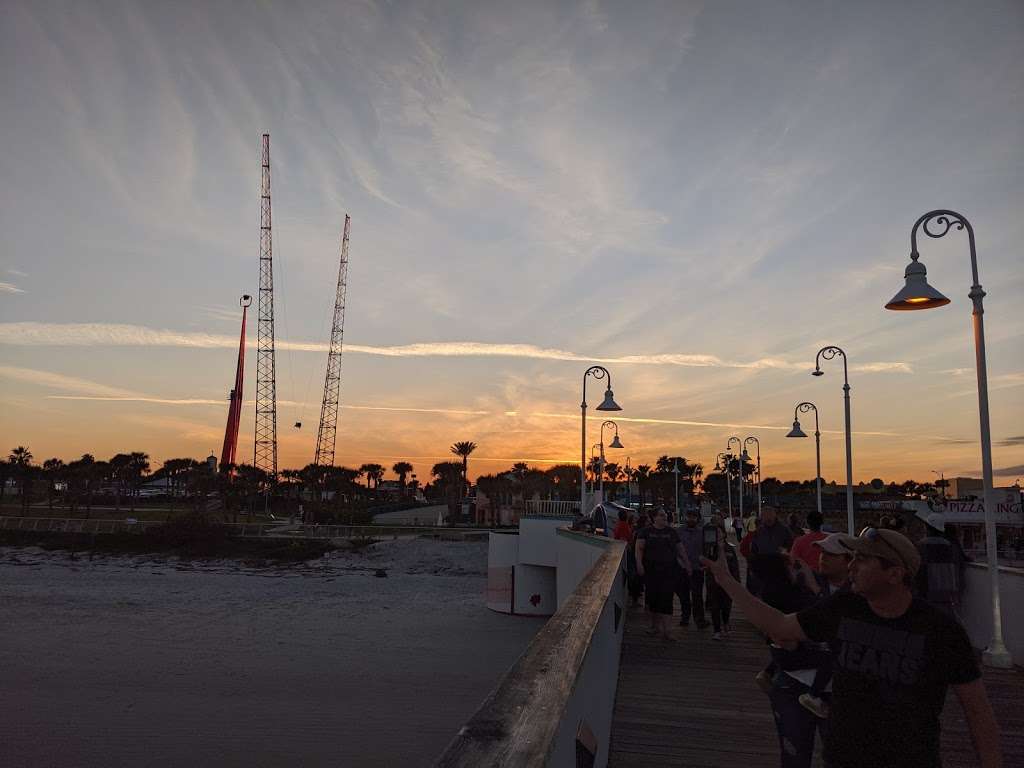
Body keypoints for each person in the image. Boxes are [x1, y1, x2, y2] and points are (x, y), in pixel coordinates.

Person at [702, 526, 1003, 768]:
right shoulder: (845, 607)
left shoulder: (941, 631)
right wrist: (726, 581)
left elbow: (978, 712)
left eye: (863, 560)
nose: (852, 567)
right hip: (843, 758)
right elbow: (780, 626)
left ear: (895, 574)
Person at [636, 509, 692, 641]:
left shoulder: (671, 532)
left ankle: (667, 631)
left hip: (669, 570)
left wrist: (687, 564)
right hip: (651, 570)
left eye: (666, 515)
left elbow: (680, 549)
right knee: (652, 599)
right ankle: (654, 626)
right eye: (661, 515)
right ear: (654, 518)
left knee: (667, 598)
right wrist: (639, 564)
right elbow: (639, 549)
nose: (665, 517)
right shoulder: (645, 532)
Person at [914, 511, 966, 618]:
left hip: (926, 595)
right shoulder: (951, 547)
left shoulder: (920, 547)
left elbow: (917, 572)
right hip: (947, 596)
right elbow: (958, 571)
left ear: (927, 528)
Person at [706, 521, 740, 639]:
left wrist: (737, 582)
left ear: (724, 534)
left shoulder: (730, 549)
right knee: (714, 606)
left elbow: (735, 566)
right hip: (713, 582)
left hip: (728, 582)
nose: (717, 534)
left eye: (719, 532)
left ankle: (726, 623)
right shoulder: (709, 548)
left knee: (726, 606)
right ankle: (717, 630)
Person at [676, 509, 708, 628]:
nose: (691, 519)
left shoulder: (702, 532)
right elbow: (675, 549)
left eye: (694, 517)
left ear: (697, 518)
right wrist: (680, 562)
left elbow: (707, 549)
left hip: (697, 568)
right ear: (685, 517)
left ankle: (699, 620)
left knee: (697, 596)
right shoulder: (679, 531)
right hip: (682, 568)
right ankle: (685, 617)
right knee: (683, 595)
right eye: (689, 516)